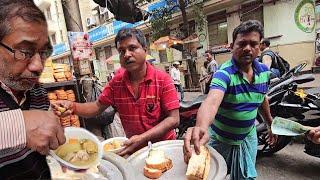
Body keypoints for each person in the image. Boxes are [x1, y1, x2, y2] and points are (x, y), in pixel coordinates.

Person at [52, 28, 180, 156]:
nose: (126, 54)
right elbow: (96, 107)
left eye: (132, 48)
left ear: (145, 50)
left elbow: (174, 119)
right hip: (135, 151)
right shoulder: (116, 83)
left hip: (164, 148)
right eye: (121, 51)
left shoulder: (163, 79)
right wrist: (72, 106)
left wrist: (143, 138)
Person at [183, 20, 277, 180]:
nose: (247, 48)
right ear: (232, 46)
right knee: (211, 175)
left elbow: (262, 99)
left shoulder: (264, 73)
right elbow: (211, 102)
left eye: (253, 44)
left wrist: (270, 124)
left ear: (259, 46)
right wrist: (201, 127)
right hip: (220, 139)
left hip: (248, 137)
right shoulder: (224, 73)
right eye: (242, 43)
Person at [0, 1, 66, 179]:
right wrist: (18, 126)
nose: (38, 66)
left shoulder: (37, 91)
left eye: (43, 53)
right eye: (24, 51)